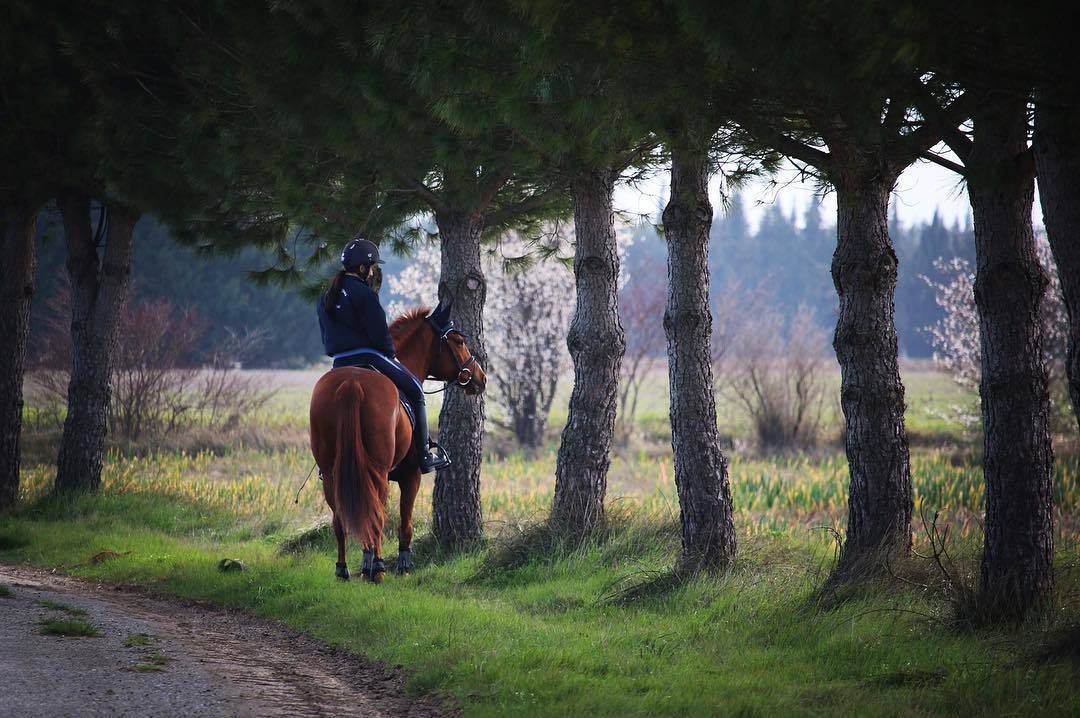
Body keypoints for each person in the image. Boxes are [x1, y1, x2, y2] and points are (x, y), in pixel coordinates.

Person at [317, 236, 450, 473]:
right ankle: (424, 456)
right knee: (416, 392)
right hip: (369, 356)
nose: (373, 272)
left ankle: (324, 464)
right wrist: (390, 353)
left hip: (339, 362)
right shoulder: (364, 294)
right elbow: (380, 335)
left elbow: (327, 339)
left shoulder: (326, 296)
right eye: (373, 267)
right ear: (362, 268)